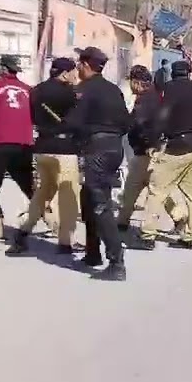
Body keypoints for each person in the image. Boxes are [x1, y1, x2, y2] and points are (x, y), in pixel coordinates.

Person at [66, 46, 132, 280]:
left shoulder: (85, 89)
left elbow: (74, 122)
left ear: (85, 65)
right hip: (115, 148)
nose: (77, 68)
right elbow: (126, 122)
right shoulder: (114, 90)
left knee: (100, 204)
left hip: (97, 149)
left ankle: (116, 262)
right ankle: (92, 252)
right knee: (89, 197)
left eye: (78, 64)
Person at [144, 60, 192, 249]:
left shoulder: (168, 90)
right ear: (189, 73)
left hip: (174, 147)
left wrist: (153, 141)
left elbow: (160, 117)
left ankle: (148, 235)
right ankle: (190, 237)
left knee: (157, 191)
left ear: (173, 73)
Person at [10, 57, 79, 256]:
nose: (75, 76)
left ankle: (24, 229)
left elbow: (31, 117)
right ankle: (65, 241)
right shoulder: (70, 93)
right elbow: (77, 120)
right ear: (64, 73)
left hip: (42, 147)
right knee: (67, 195)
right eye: (73, 72)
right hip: (64, 148)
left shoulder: (36, 91)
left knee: (42, 192)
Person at [0, 55, 35, 241]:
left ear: (2, 68)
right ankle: (52, 219)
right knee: (28, 185)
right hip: (24, 143)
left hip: (0, 141)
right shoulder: (28, 89)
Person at [116, 65, 162, 239]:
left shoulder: (144, 100)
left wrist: (146, 142)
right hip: (150, 148)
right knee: (151, 186)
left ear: (137, 82)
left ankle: (123, 220)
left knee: (136, 186)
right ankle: (122, 220)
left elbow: (139, 124)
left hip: (145, 150)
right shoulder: (154, 96)